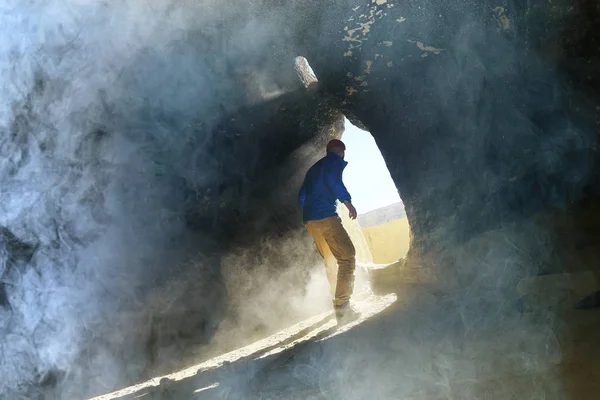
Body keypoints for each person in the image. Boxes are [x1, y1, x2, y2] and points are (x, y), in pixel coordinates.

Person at [298, 139, 359, 324]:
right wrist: (347, 202)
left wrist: (310, 212)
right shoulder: (333, 161)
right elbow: (333, 181)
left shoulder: (314, 168)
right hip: (325, 216)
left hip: (310, 220)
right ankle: (342, 307)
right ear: (342, 151)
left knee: (331, 260)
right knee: (347, 257)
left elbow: (302, 195)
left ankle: (338, 303)